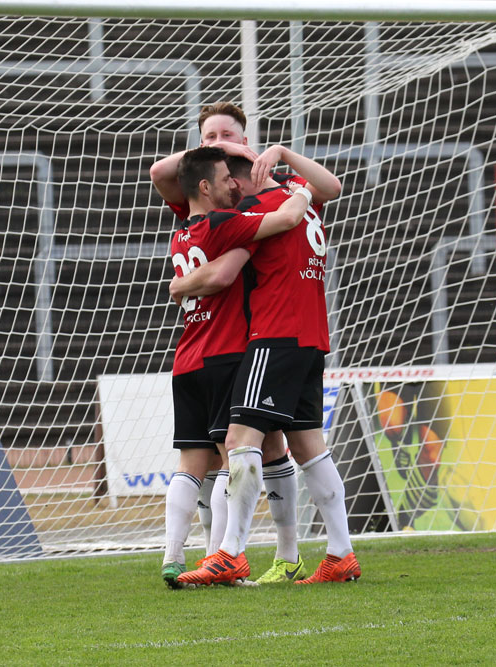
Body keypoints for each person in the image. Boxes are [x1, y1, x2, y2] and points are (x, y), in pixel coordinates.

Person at [154, 102, 342, 585]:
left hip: (264, 339)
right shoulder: (285, 196)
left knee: (236, 446)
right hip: (307, 338)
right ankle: (334, 553)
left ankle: (228, 553)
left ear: (246, 166)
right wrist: (290, 177)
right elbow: (327, 190)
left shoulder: (242, 210)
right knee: (304, 447)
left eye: (233, 171)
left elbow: (225, 269)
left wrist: (180, 285)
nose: (230, 185)